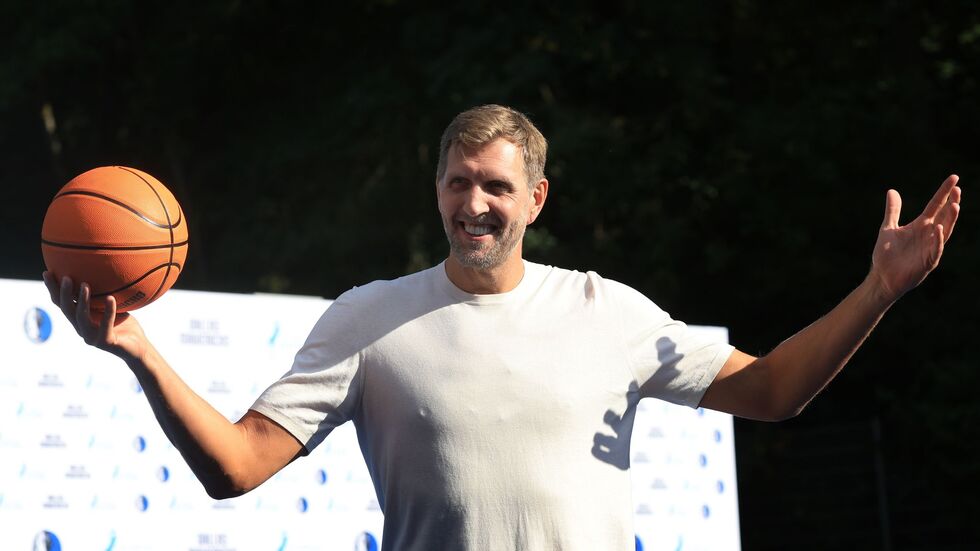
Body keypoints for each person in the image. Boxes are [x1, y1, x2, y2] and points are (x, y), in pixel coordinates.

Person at [44, 104, 962, 550]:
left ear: (537, 198)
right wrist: (137, 350)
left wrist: (877, 291)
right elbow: (234, 467)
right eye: (457, 182)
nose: (473, 203)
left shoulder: (610, 311)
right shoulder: (369, 317)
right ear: (435, 190)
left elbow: (773, 390)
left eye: (495, 184)